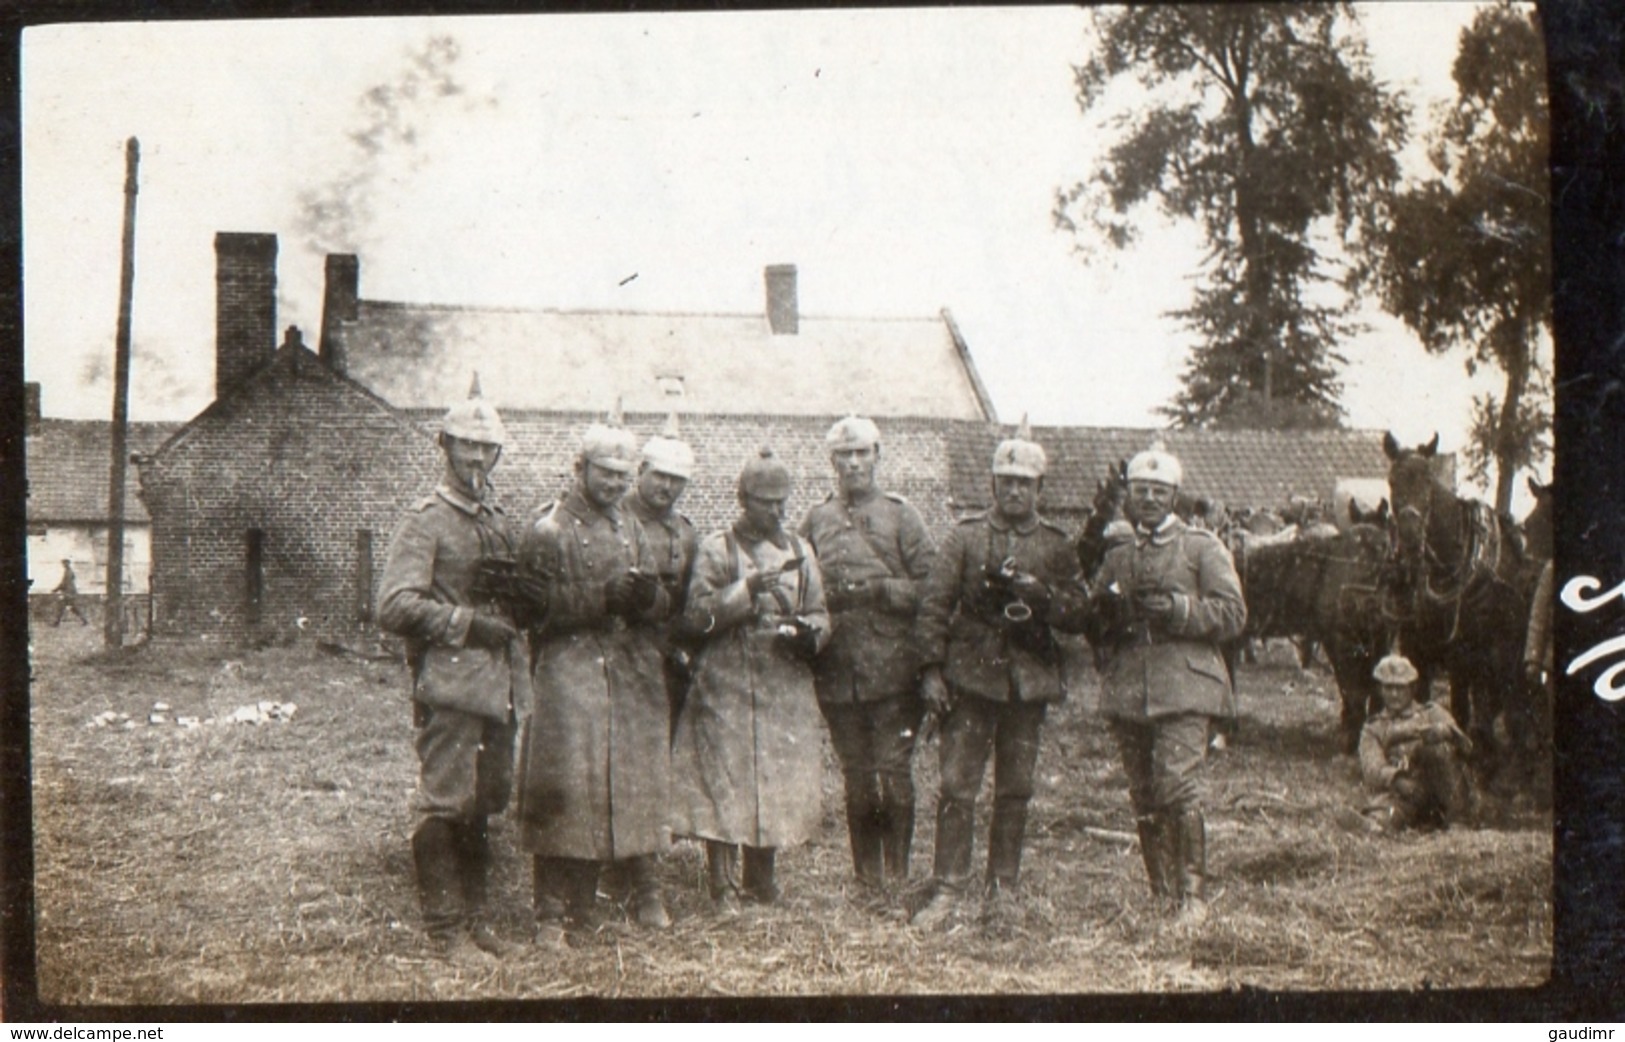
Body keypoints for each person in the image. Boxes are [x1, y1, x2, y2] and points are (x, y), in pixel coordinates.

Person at [378, 379, 538, 961]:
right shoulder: (426, 520)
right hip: (451, 682)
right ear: (444, 446)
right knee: (446, 799)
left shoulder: (498, 518)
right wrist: (468, 623)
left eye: (486, 448)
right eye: (466, 446)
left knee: (485, 799)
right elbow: (393, 605)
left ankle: (478, 922)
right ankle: (446, 930)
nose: (476, 458)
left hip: (501, 685)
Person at [910, 421, 1090, 928]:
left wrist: (1043, 596)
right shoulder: (965, 537)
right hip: (969, 680)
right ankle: (947, 887)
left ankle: (1002, 887)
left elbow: (1080, 612)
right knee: (956, 785)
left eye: (1024, 483)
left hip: (1026, 684)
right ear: (992, 485)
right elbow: (933, 606)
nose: (1014, 490)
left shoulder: (1055, 545)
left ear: (1040, 489)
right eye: (1005, 481)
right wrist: (931, 671)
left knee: (1016, 787)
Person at [517, 421, 675, 945]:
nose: (613, 484)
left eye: (622, 475)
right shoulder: (549, 531)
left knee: (630, 778)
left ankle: (625, 892)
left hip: (627, 669)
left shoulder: (629, 527)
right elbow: (530, 611)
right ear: (579, 469)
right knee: (565, 786)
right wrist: (600, 598)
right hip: (570, 667)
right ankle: (551, 913)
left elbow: (659, 604)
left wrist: (646, 597)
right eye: (604, 472)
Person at [1089, 443, 1246, 928]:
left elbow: (1234, 614)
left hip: (1185, 684)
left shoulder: (1202, 547)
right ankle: (1161, 892)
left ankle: (1192, 897)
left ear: (1175, 496)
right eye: (1141, 492)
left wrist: (1180, 610)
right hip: (1130, 688)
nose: (1150, 499)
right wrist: (1103, 615)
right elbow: (1093, 616)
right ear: (1130, 499)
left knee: (1178, 786)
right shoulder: (1118, 555)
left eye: (1159, 491)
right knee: (1143, 792)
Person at [672, 448, 831, 915]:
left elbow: (821, 612)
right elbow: (696, 616)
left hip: (782, 680)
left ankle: (762, 880)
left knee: (772, 779)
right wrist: (745, 592)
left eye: (782, 502)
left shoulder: (801, 551)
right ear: (743, 498)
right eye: (765, 502)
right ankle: (723, 888)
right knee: (724, 780)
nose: (777, 512)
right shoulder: (717, 548)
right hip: (727, 679)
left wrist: (810, 634)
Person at [799, 416, 937, 893]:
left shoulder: (903, 516)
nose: (853, 463)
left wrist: (883, 591)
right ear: (833, 462)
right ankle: (866, 876)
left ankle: (896, 876)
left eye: (862, 453)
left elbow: (932, 588)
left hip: (894, 668)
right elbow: (801, 582)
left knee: (894, 770)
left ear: (878, 456)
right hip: (839, 669)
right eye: (844, 455)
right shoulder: (817, 519)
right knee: (856, 775)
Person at [602, 413, 701, 930]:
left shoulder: (686, 534)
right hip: (612, 661)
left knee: (651, 776)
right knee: (607, 769)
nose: (667, 487)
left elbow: (689, 604)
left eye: (677, 480)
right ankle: (614, 874)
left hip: (661, 666)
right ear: (639, 471)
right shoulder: (614, 519)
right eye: (659, 475)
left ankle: (644, 881)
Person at [1357, 653, 1474, 832]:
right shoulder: (1373, 728)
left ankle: (1459, 821)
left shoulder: (1432, 712)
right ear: (1381, 690)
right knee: (1385, 816)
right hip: (1403, 794)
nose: (1394, 694)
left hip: (1441, 792)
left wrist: (1446, 732)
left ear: (1412, 689)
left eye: (1400, 688)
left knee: (1435, 749)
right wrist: (1397, 780)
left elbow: (1467, 747)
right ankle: (1376, 823)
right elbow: (1372, 767)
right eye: (1389, 688)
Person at [51, 559, 89, 626]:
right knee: (73, 608)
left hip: (68, 593)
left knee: (62, 607)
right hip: (70, 592)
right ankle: (84, 620)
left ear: (67, 564)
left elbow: (64, 583)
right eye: (63, 564)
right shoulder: (69, 571)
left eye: (64, 563)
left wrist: (55, 589)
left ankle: (56, 623)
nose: (63, 565)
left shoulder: (68, 572)